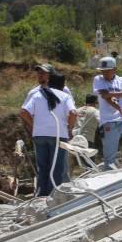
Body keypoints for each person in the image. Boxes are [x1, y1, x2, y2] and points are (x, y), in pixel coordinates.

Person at [19, 64, 77, 197]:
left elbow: (23, 112)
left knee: (43, 167)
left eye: (44, 73)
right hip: (58, 135)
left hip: (40, 135)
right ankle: (53, 197)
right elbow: (73, 113)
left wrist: (35, 127)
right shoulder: (64, 94)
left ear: (50, 78)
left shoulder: (37, 94)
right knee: (57, 168)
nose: (40, 75)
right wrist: (69, 128)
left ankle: (41, 195)